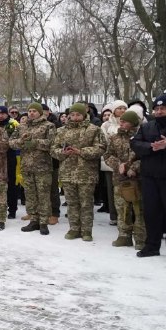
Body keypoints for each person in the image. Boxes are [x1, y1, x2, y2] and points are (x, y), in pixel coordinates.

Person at [130, 94, 166, 263]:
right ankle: (152, 246)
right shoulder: (148, 127)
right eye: (156, 109)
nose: (159, 111)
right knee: (151, 213)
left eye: (163, 108)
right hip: (150, 177)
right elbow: (135, 143)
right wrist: (150, 147)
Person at [50, 103, 105, 242]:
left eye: (78, 115)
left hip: (86, 173)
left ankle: (86, 230)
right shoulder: (61, 131)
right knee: (72, 203)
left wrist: (81, 151)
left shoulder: (93, 130)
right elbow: (53, 149)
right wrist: (63, 153)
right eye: (72, 115)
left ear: (84, 115)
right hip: (67, 172)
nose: (75, 117)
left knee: (86, 203)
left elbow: (101, 148)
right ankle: (74, 228)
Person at [9, 102, 55, 235]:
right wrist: (22, 142)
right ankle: (34, 219)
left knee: (43, 195)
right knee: (30, 195)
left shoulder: (48, 126)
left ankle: (43, 222)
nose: (32, 113)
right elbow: (11, 142)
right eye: (30, 111)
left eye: (34, 111)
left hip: (43, 166)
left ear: (40, 112)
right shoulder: (22, 126)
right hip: (27, 166)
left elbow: (52, 143)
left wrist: (36, 143)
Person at [103, 110, 145, 249]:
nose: (122, 123)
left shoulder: (142, 137)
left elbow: (145, 156)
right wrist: (118, 165)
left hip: (138, 180)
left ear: (133, 124)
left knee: (139, 210)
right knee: (122, 208)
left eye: (125, 121)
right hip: (119, 179)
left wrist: (134, 167)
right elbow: (108, 155)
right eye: (121, 121)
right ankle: (124, 236)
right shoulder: (115, 138)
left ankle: (140, 238)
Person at [0, 106, 21, 219]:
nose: (0, 115)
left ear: (7, 114)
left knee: (11, 184)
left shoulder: (13, 125)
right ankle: (0, 208)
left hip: (10, 157)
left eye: (3, 113)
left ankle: (12, 209)